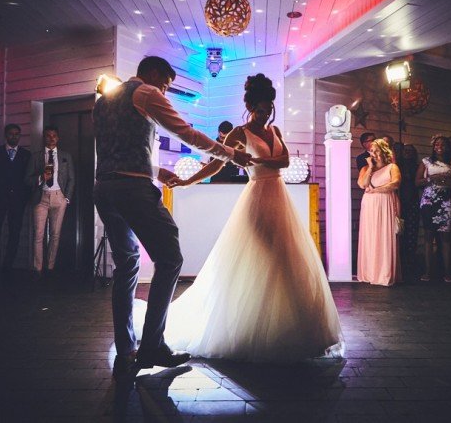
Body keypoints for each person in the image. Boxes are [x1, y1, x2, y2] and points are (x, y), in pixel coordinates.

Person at [161, 73, 343, 361]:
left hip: (279, 197)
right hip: (256, 198)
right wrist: (188, 181)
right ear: (249, 107)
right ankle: (252, 326)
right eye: (260, 110)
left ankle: (293, 327)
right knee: (266, 258)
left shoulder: (276, 132)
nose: (265, 114)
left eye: (269, 109)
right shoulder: (238, 134)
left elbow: (284, 162)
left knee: (287, 260)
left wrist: (257, 159)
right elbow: (215, 165)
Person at [92, 56, 252, 381]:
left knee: (126, 266)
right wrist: (232, 154)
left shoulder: (104, 101)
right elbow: (187, 134)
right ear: (153, 73)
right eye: (165, 83)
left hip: (103, 187)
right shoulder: (147, 92)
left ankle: (127, 350)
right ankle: (153, 346)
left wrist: (154, 170)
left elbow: (112, 149)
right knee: (170, 258)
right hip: (131, 189)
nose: (164, 90)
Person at [25, 126, 75, 279]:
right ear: (44, 138)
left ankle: (50, 267)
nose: (51, 138)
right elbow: (26, 179)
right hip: (41, 198)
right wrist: (41, 177)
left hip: (59, 197)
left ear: (58, 138)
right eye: (48, 136)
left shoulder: (66, 156)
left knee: (55, 234)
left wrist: (66, 198)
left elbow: (71, 178)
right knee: (38, 234)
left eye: (54, 135)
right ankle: (37, 269)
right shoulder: (36, 156)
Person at [0, 124, 31, 279]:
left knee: (15, 233)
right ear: (6, 135)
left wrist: (26, 198)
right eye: (11, 134)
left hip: (18, 200)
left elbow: (27, 179)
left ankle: (8, 267)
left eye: (17, 134)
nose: (14, 137)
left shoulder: (26, 155)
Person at [357, 138, 402, 286]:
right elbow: (362, 184)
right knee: (370, 236)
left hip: (385, 203)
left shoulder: (392, 167)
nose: (373, 153)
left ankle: (384, 274)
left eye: (376, 150)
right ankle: (369, 273)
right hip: (369, 205)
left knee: (384, 235)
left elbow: (395, 183)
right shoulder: (365, 168)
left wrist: (377, 190)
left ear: (383, 151)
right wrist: (370, 167)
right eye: (371, 151)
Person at [416, 135, 451, 282]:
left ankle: (447, 272)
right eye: (436, 144)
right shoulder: (427, 161)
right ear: (433, 147)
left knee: (445, 237)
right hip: (429, 201)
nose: (439, 146)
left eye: (442, 144)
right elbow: (417, 182)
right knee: (429, 236)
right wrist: (432, 179)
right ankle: (428, 271)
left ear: (447, 147)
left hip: (445, 201)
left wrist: (443, 180)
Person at [398, 144, 420, 272]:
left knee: (412, 231)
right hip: (399, 200)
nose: (408, 153)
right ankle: (400, 257)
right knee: (399, 230)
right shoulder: (398, 166)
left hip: (412, 201)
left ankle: (410, 258)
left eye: (411, 151)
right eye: (405, 150)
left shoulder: (417, 167)